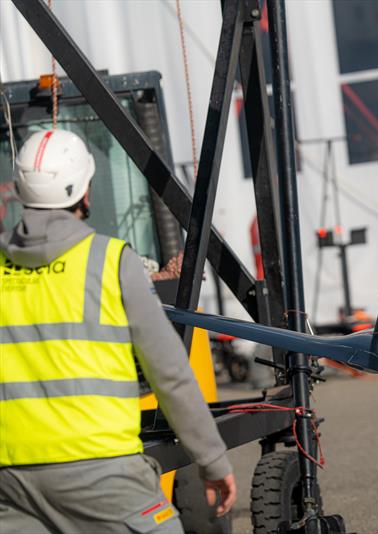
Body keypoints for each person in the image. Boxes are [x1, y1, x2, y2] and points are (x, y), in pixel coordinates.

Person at [0, 129, 236, 532]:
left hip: (11, 481)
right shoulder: (110, 262)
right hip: (102, 471)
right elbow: (171, 375)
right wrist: (212, 459)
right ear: (85, 192)